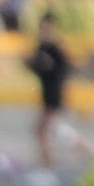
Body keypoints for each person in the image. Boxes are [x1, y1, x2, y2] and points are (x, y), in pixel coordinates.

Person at [27, 10, 75, 169]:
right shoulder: (44, 45)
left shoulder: (54, 46)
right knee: (51, 129)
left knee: (43, 130)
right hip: (48, 91)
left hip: (53, 91)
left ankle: (48, 164)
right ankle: (47, 163)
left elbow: (63, 68)